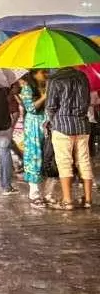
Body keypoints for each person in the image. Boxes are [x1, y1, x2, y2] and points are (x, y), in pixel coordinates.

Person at [45, 67, 94, 210]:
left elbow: (50, 106)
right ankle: (88, 200)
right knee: (84, 161)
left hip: (62, 126)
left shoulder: (55, 79)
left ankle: (67, 200)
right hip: (82, 124)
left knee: (64, 162)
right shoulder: (82, 77)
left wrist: (56, 120)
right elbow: (87, 101)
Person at [18, 71, 54, 207]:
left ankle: (48, 193)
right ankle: (35, 194)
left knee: (49, 157)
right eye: (43, 71)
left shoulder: (48, 84)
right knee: (35, 157)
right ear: (34, 73)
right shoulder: (27, 88)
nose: (46, 73)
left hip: (47, 124)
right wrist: (45, 96)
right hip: (33, 126)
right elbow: (31, 108)